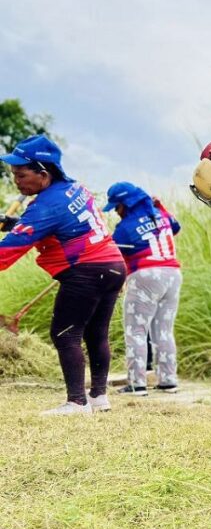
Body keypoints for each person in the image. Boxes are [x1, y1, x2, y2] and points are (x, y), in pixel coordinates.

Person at [0, 135, 126, 414]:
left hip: (87, 270)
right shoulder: (74, 188)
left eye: (21, 175)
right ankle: (98, 397)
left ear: (43, 175)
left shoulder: (46, 205)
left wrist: (15, 231)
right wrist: (14, 224)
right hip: (112, 265)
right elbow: (61, 223)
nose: (17, 182)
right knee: (96, 333)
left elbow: (6, 253)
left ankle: (76, 402)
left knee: (65, 333)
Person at [104, 182, 182, 396]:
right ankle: (168, 380)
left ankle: (137, 383)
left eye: (117, 207)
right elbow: (176, 227)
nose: (117, 212)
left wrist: (118, 282)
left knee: (136, 330)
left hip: (145, 276)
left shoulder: (125, 228)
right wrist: (160, 206)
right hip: (172, 274)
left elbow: (113, 256)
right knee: (164, 330)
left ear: (126, 204)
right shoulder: (161, 216)